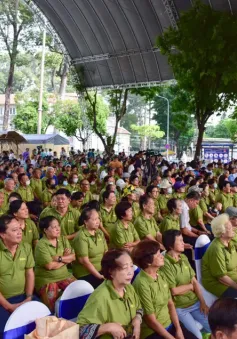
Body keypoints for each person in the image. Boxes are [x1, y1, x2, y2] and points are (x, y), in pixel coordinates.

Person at [132, 240, 197, 339]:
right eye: (158, 255)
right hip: (153, 332)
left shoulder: (160, 274)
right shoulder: (141, 284)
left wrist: (178, 329)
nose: (162, 256)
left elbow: (170, 304)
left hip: (170, 324)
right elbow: (151, 320)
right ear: (147, 262)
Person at [77, 249, 142, 339]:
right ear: (111, 271)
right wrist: (107, 327)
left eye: (131, 266)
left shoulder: (128, 288)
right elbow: (80, 331)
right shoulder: (100, 297)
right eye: (124, 268)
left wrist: (137, 319)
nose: (130, 272)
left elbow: (139, 308)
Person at [162, 230, 210, 339]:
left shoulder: (183, 258)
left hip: (195, 302)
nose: (183, 243)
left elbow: (194, 281)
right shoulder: (165, 264)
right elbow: (174, 291)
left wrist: (202, 302)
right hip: (180, 308)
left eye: (182, 240)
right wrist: (190, 286)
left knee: (214, 326)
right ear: (170, 245)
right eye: (180, 241)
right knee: (197, 336)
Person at [0, 215, 36, 334]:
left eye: (20, 229)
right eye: (14, 230)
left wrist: (29, 297)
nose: (19, 233)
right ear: (3, 234)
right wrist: (8, 306)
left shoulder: (26, 247)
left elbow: (30, 273)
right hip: (3, 300)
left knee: (44, 319)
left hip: (23, 296)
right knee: (6, 331)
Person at [35, 216, 76, 312]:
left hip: (65, 275)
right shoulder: (41, 245)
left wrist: (59, 258)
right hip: (47, 280)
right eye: (54, 227)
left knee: (79, 289)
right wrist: (66, 260)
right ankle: (53, 319)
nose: (58, 229)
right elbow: (49, 266)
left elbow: (73, 257)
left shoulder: (62, 239)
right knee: (52, 298)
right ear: (45, 230)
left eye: (58, 226)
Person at [202, 213, 237, 298]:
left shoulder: (230, 242)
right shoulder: (216, 249)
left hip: (232, 276)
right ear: (222, 233)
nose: (233, 228)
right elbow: (221, 277)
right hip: (217, 283)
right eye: (230, 227)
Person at [72, 208, 108, 288]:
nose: (97, 221)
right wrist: (99, 276)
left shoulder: (99, 233)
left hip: (101, 269)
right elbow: (85, 261)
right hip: (86, 273)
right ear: (85, 222)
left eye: (98, 218)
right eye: (94, 219)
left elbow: (106, 252)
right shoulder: (81, 236)